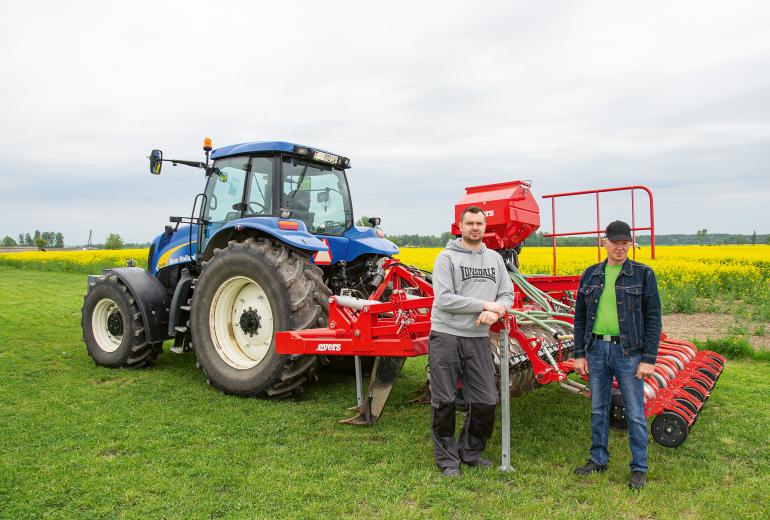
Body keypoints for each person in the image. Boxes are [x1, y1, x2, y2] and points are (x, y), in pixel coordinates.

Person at [572, 220, 662, 490]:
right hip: (596, 350)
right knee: (598, 409)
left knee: (634, 412)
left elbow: (653, 319)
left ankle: (639, 467)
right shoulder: (590, 274)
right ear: (605, 242)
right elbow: (579, 319)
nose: (621, 247)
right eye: (616, 242)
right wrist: (579, 354)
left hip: (629, 353)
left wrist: (649, 358)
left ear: (630, 245)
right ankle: (598, 459)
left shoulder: (643, 274)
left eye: (625, 243)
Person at [429, 205, 514, 477]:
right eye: (470, 223)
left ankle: (470, 451)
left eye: (479, 223)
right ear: (460, 226)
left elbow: (507, 294)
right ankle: (447, 460)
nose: (475, 227)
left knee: (486, 399)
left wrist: (497, 309)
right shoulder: (446, 258)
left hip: (477, 338)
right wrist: (485, 304)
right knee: (444, 399)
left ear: (485, 226)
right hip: (447, 335)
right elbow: (444, 299)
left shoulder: (495, 260)